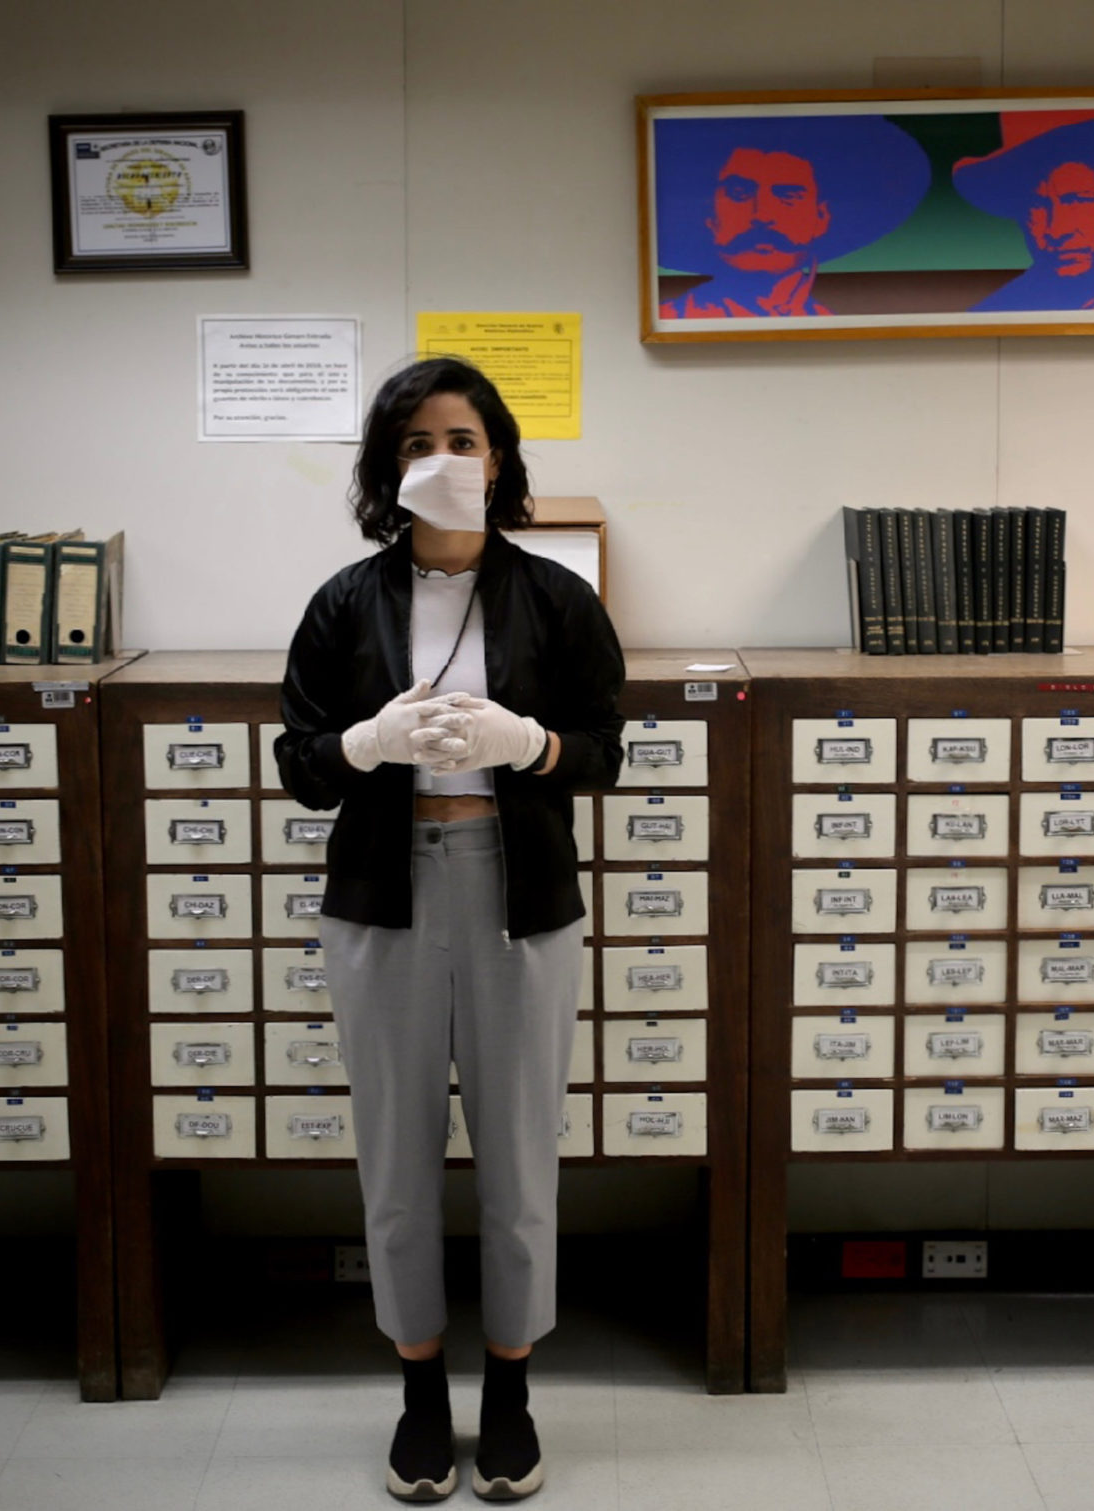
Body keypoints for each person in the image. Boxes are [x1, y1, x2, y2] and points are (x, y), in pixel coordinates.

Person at [275, 355, 623, 1502]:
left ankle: (510, 1387)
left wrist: (525, 745)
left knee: (521, 1154)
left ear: (501, 456)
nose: (443, 459)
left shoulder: (556, 598)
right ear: (388, 467)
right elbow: (302, 767)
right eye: (418, 441)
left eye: (463, 439)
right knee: (395, 1157)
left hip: (515, 887)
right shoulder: (341, 601)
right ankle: (420, 1390)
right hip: (384, 888)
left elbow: (604, 751)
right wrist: (366, 745)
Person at [654, 114, 929, 318]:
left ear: (821, 217)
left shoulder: (832, 328)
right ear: (710, 217)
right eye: (739, 193)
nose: (762, 215)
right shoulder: (673, 318)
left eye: (788, 196)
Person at [952, 109, 1094, 312]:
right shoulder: (991, 316)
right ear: (1018, 213)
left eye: (1078, 200)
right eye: (1038, 206)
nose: (1058, 229)